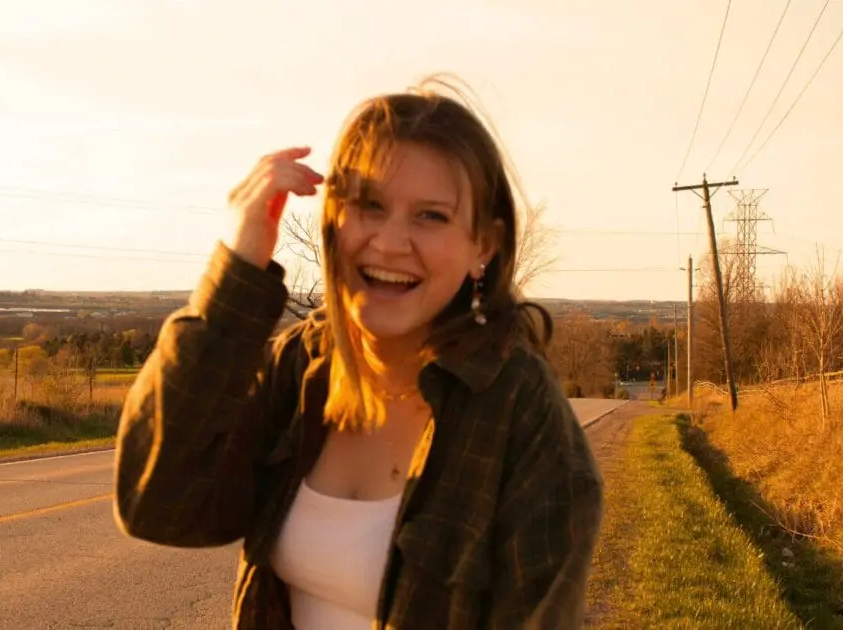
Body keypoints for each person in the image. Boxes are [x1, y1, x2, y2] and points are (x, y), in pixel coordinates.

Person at [113, 79, 603, 629]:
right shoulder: (304, 367)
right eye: (369, 205)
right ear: (333, 221)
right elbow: (156, 503)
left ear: (483, 246)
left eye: (431, 216)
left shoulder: (520, 411)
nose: (390, 243)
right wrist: (238, 271)